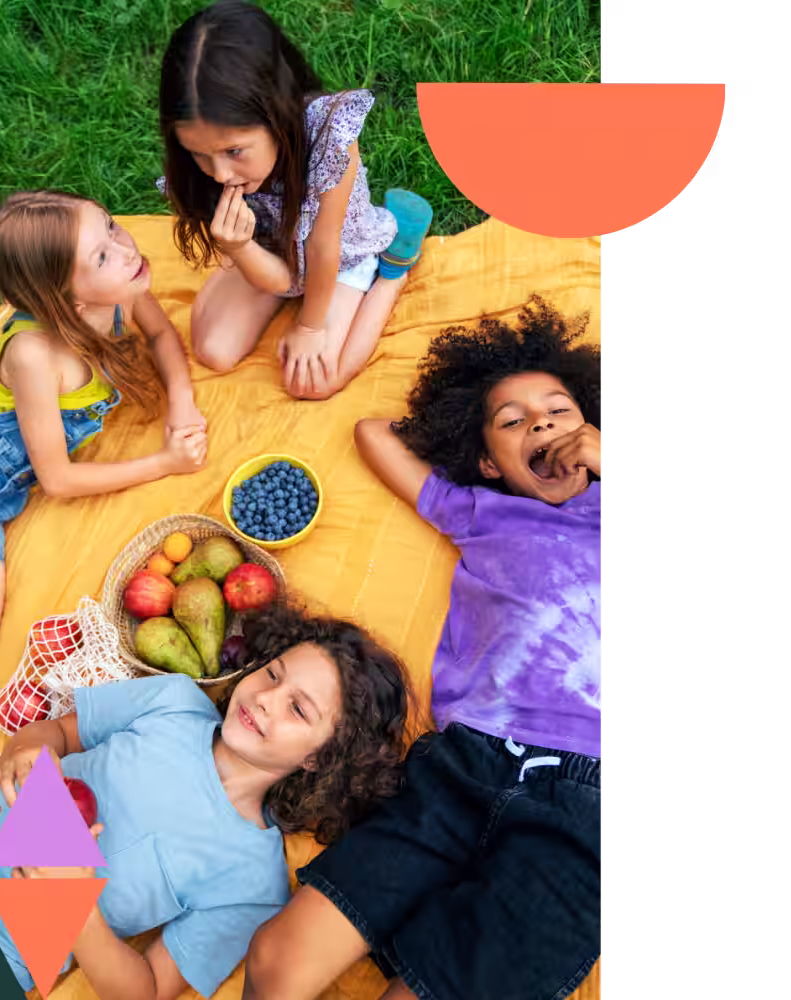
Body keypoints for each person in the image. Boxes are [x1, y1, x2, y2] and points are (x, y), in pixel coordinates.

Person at [242, 295, 601, 1000]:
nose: (543, 425)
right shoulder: (480, 512)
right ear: (489, 464)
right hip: (462, 766)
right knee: (277, 959)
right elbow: (374, 433)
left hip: (585, 803)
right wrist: (465, 454)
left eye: (560, 410)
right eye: (514, 422)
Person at [0, 602, 413, 999]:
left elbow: (145, 991)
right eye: (272, 674)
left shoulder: (254, 885)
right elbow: (55, 731)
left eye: (298, 709)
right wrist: (26, 751)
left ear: (320, 759)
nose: (266, 698)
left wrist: (75, 909)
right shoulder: (175, 702)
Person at [0, 190, 208, 695]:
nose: (126, 249)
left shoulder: (123, 288)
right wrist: (164, 462)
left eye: (110, 225)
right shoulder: (35, 354)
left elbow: (163, 338)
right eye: (101, 255)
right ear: (68, 299)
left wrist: (182, 402)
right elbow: (57, 478)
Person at [157, 0, 433, 401]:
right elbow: (283, 280)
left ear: (278, 115)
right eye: (199, 154)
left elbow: (324, 246)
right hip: (274, 253)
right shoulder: (211, 167)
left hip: (337, 254)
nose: (218, 174)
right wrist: (237, 247)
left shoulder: (329, 137)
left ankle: (393, 270)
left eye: (234, 151)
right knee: (213, 351)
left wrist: (309, 327)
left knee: (316, 382)